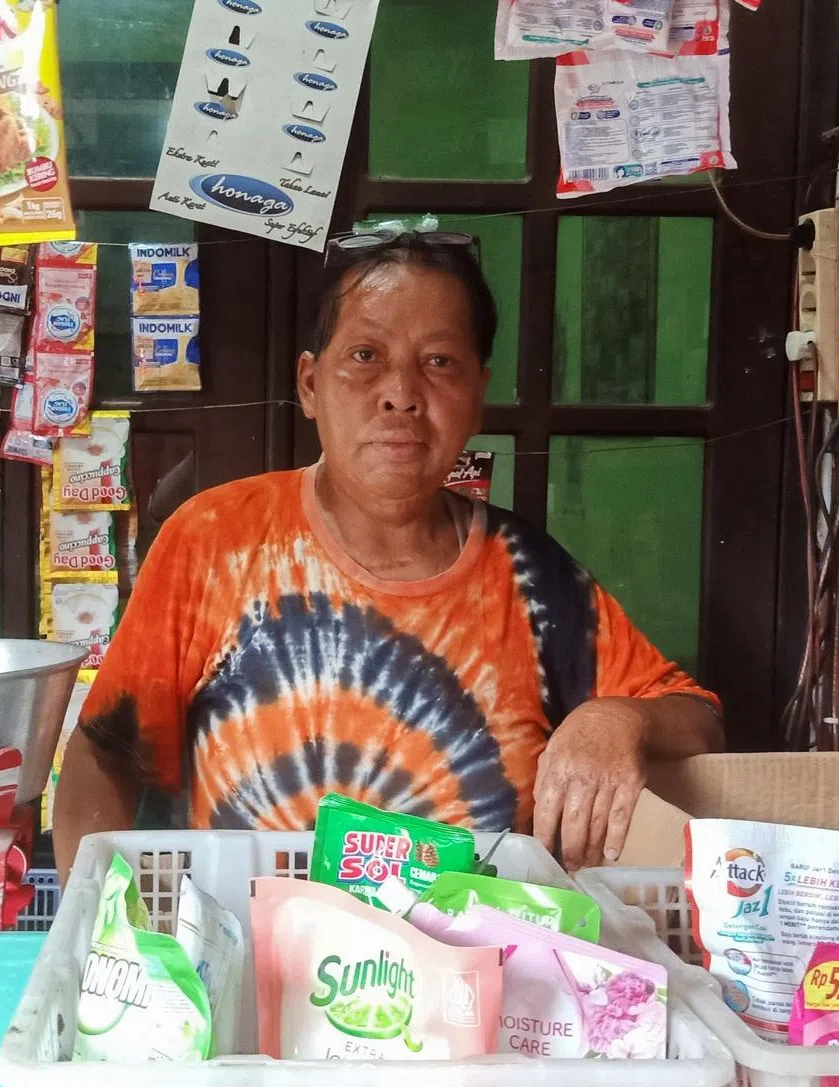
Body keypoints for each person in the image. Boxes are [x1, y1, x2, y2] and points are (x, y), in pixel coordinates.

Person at [53, 230, 723, 882]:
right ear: (312, 385)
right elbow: (106, 749)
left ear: (477, 394)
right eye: (366, 355)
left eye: (439, 361)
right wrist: (106, 926)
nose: (401, 392)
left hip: (466, 977)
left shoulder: (530, 578)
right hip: (247, 971)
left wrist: (615, 718)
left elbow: (699, 723)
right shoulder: (216, 539)